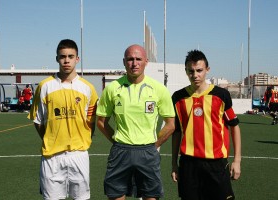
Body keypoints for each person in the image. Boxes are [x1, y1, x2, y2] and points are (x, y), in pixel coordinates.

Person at [96, 44, 175, 200]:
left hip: (148, 151)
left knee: (150, 196)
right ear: (124, 62)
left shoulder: (159, 89)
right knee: (116, 195)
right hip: (120, 151)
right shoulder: (112, 89)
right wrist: (117, 141)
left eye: (138, 59)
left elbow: (171, 124)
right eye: (130, 59)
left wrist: (154, 145)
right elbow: (101, 122)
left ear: (146, 61)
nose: (134, 63)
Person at [28, 39, 98, 200]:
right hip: (52, 156)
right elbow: (38, 121)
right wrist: (51, 138)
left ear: (77, 59)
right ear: (57, 58)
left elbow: (91, 122)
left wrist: (83, 138)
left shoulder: (88, 88)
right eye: (63, 56)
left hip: (79, 155)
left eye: (71, 56)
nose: (66, 60)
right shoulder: (45, 86)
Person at [171, 50, 241, 200]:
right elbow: (176, 132)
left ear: (207, 70)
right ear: (186, 71)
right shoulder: (178, 98)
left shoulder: (221, 95)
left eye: (199, 70)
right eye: (191, 71)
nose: (195, 75)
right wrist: (173, 164)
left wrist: (237, 160)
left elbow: (234, 127)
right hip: (188, 164)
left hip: (216, 164)